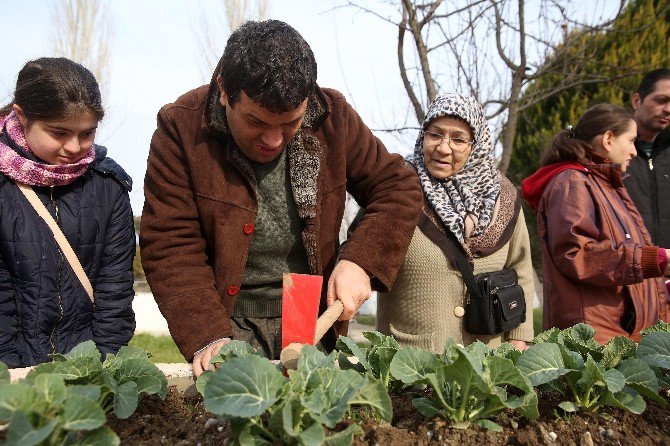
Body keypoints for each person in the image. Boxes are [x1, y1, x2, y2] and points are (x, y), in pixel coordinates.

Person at [140, 20, 422, 376]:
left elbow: (398, 186)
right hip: (227, 318)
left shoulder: (332, 116)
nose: (274, 139)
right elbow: (170, 241)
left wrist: (360, 261)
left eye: (290, 123)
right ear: (225, 91)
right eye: (256, 121)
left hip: (312, 317)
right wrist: (206, 336)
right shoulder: (181, 127)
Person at [0, 57, 136, 367]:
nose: (75, 147)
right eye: (59, 133)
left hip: (88, 368)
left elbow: (114, 289)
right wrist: (12, 376)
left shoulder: (108, 187)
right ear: (21, 116)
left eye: (87, 133)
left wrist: (99, 368)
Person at [375, 93, 535, 352]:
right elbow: (363, 254)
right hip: (409, 362)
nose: (443, 147)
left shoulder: (503, 196)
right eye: (435, 134)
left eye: (458, 139)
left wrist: (519, 336)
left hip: (484, 363)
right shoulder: (398, 186)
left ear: (476, 145)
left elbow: (521, 267)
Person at [522, 104, 669, 343]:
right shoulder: (572, 182)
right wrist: (654, 260)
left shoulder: (605, 184)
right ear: (609, 139)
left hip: (621, 336)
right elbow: (577, 255)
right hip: (597, 341)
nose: (634, 151)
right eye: (631, 141)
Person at [624, 69, 670, 248]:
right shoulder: (610, 155)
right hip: (629, 269)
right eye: (661, 100)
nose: (668, 110)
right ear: (637, 101)